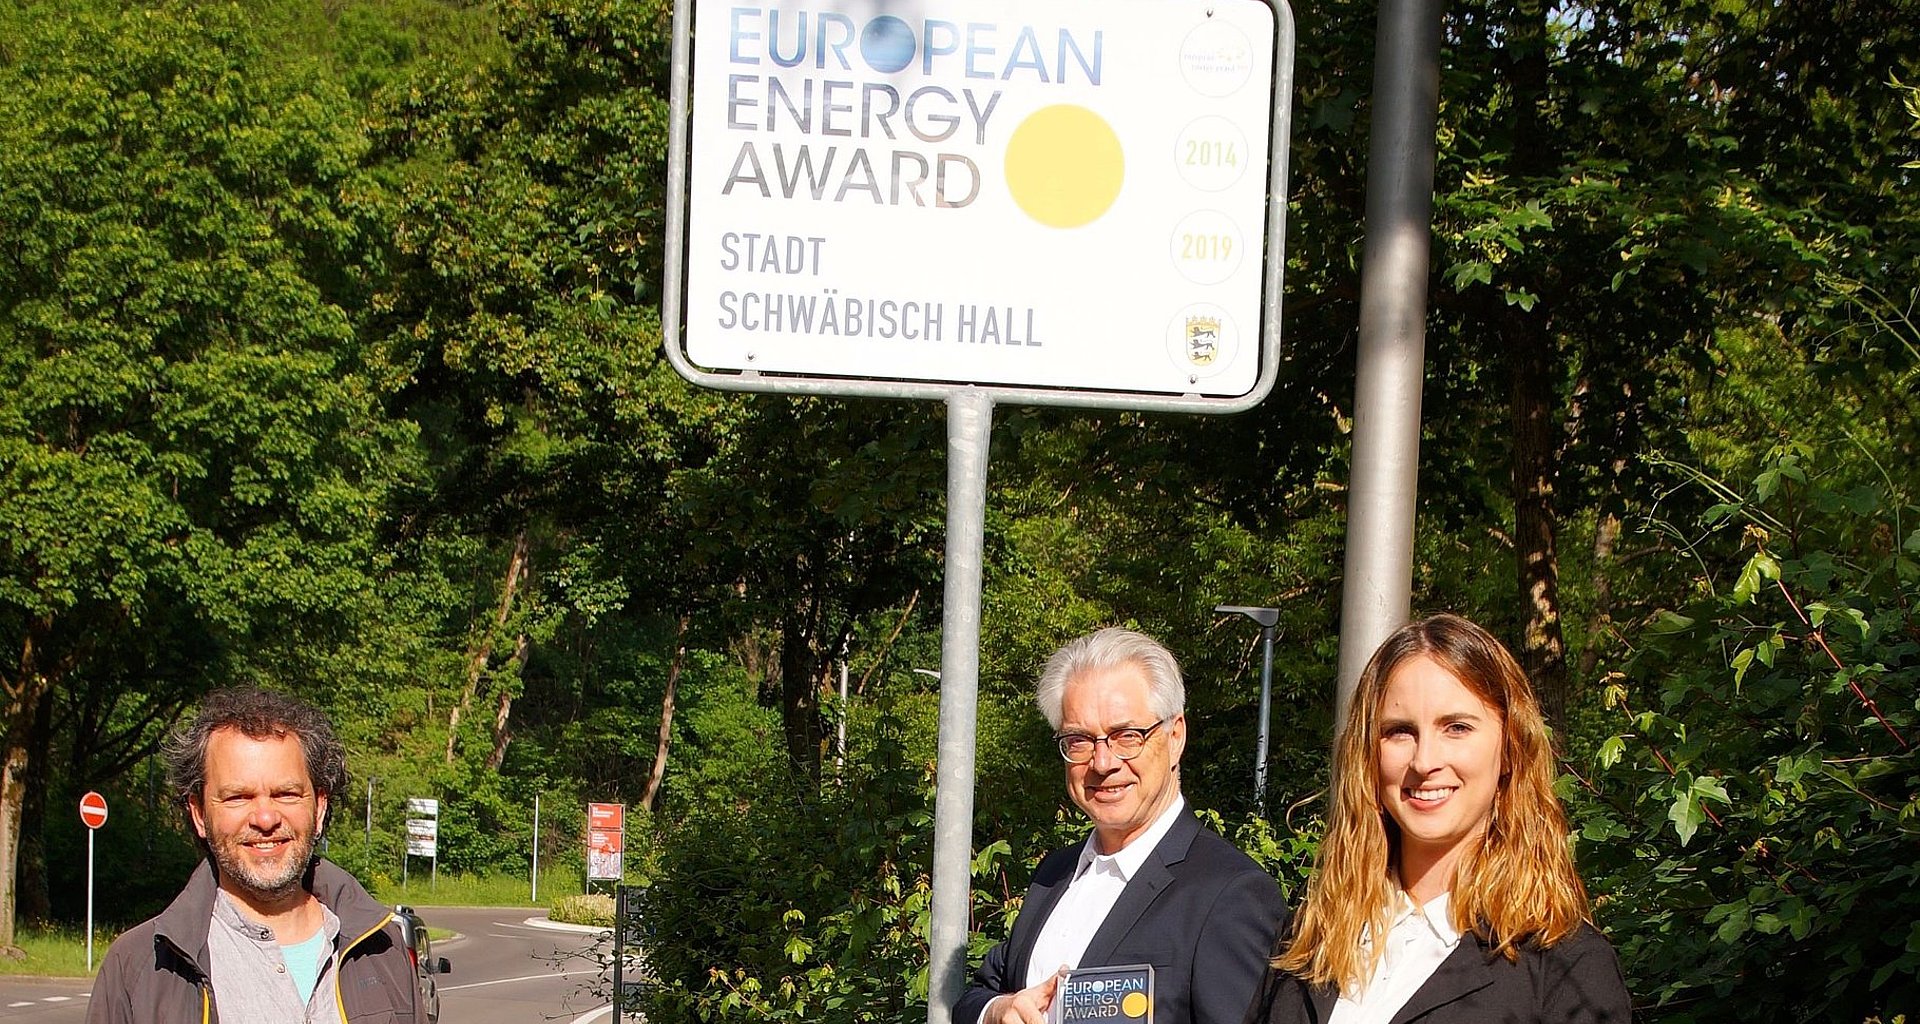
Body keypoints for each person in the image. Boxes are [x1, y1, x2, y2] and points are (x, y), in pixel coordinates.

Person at [1244, 614, 1631, 1024]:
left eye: (1457, 727)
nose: (1424, 761)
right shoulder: (1311, 938)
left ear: (1510, 748)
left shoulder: (1566, 968)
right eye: (1399, 731)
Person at [955, 627, 1287, 1024]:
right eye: (1079, 740)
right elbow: (980, 993)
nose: (1102, 762)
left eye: (1126, 736)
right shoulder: (1054, 875)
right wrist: (999, 1011)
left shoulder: (1229, 893)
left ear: (1175, 736)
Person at [89, 688, 423, 1023]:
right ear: (200, 814)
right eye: (238, 797)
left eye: (286, 794)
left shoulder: (382, 949)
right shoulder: (139, 967)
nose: (265, 818)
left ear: (319, 807)